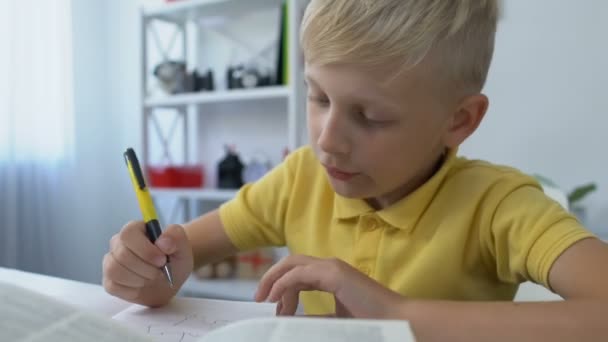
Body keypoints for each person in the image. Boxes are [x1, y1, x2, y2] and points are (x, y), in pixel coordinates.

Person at [103, 1, 608, 339]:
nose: (326, 140)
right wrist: (149, 274)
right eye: (318, 97)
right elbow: (178, 256)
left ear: (459, 120)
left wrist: (394, 314)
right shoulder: (299, 178)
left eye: (370, 116)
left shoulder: (497, 204)